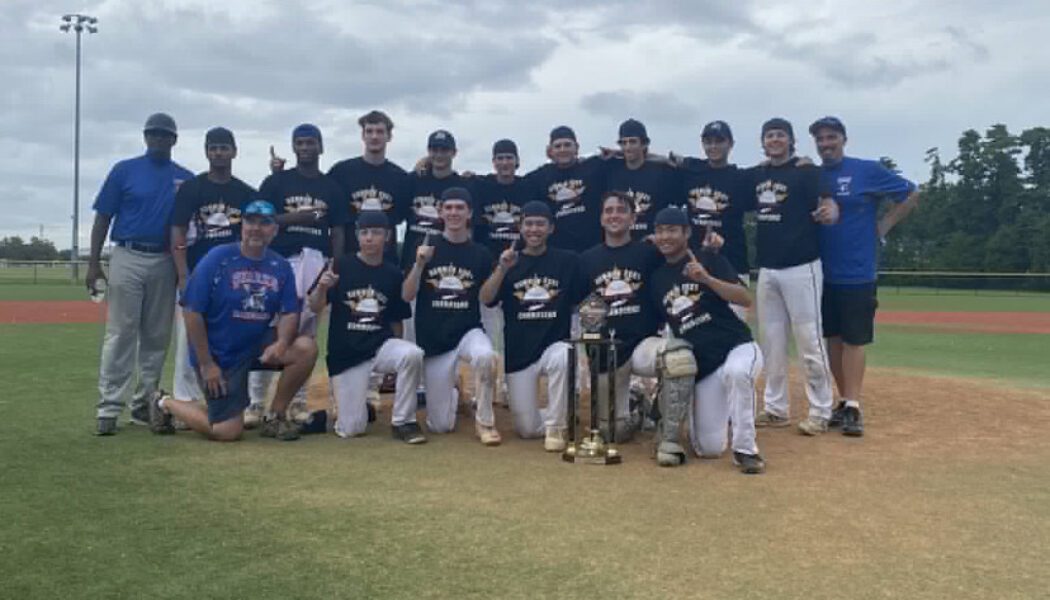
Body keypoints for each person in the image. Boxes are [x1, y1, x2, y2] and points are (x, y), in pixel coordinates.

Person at [149, 200, 318, 442]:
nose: (256, 228)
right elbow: (192, 312)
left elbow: (290, 312)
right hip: (220, 353)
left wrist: (281, 344)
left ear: (275, 230)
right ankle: (164, 402)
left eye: (265, 223)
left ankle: (275, 416)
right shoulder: (218, 258)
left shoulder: (279, 266)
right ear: (242, 226)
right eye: (251, 221)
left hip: (254, 344)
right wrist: (207, 364)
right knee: (227, 431)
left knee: (305, 348)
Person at [809, 116, 919, 437]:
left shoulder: (866, 170)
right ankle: (843, 401)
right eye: (820, 139)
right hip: (821, 272)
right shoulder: (814, 177)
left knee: (855, 340)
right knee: (832, 339)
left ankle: (854, 405)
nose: (826, 144)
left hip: (857, 272)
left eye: (832, 138)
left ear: (844, 139)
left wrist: (884, 226)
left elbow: (910, 193)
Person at [88, 113, 193, 436]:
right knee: (121, 332)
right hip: (127, 253)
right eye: (154, 134)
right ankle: (108, 407)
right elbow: (103, 216)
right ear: (145, 137)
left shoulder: (185, 179)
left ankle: (145, 403)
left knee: (156, 336)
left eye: (165, 135)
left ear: (174, 139)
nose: (159, 139)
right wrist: (94, 262)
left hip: (164, 259)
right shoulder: (125, 170)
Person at [647, 207, 766, 474]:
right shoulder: (657, 280)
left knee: (738, 373)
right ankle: (730, 406)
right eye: (660, 230)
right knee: (708, 448)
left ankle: (746, 450)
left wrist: (707, 278)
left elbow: (744, 298)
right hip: (705, 366)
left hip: (737, 347)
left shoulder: (708, 257)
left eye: (672, 230)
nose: (665, 236)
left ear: (686, 233)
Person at [741, 118, 839, 436]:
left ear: (791, 140)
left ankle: (822, 410)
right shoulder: (757, 174)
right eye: (769, 135)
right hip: (768, 268)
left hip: (802, 266)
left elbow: (828, 203)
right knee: (772, 343)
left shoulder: (806, 171)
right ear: (762, 141)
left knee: (810, 341)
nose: (774, 139)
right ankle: (775, 407)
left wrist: (829, 212)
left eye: (780, 135)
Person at [249, 124, 348, 426]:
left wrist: (336, 266)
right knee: (268, 328)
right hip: (279, 259)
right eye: (300, 143)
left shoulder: (331, 186)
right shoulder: (277, 181)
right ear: (293, 148)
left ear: (320, 147)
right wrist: (296, 217)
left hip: (316, 260)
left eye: (310, 143)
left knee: (306, 331)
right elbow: (259, 219)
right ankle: (255, 403)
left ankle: (297, 402)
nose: (305, 148)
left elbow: (340, 229)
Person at [307, 210, 427, 443]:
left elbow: (396, 320)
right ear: (358, 236)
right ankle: (333, 415)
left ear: (387, 237)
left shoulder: (392, 272)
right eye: (364, 233)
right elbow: (314, 307)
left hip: (379, 346)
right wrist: (322, 288)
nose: (369, 238)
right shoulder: (341, 265)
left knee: (412, 354)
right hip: (347, 353)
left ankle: (404, 422)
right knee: (351, 429)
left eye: (375, 232)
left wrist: (395, 365)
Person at [480, 201, 586, 451]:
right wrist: (502, 269)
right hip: (520, 353)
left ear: (551, 228)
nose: (534, 229)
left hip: (553, 345)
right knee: (526, 430)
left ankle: (557, 427)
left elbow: (580, 303)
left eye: (540, 224)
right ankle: (562, 412)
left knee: (565, 355)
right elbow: (486, 298)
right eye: (529, 224)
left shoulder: (568, 261)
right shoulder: (508, 263)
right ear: (520, 227)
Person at [403, 187, 500, 446]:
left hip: (467, 331)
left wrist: (499, 270)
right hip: (435, 340)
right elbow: (407, 295)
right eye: (449, 208)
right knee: (440, 426)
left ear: (469, 213)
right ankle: (454, 389)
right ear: (440, 212)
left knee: (486, 356)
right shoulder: (425, 247)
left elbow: (486, 298)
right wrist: (419, 264)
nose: (454, 213)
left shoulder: (480, 253)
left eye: (460, 208)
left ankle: (485, 423)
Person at [170, 127, 255, 409]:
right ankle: (185, 397)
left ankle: (231, 395)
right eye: (213, 148)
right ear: (206, 152)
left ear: (234, 151)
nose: (218, 153)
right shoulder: (192, 188)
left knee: (229, 333)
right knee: (188, 337)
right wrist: (183, 273)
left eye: (224, 148)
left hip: (232, 276)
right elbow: (178, 232)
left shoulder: (244, 192)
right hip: (198, 272)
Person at [579, 191, 663, 442]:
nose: (614, 215)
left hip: (643, 343)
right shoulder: (587, 259)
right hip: (609, 350)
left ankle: (661, 419)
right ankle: (636, 406)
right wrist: (592, 349)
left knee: (677, 359)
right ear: (601, 218)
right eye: (609, 210)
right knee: (611, 433)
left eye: (621, 210)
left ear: (633, 218)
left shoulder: (649, 254)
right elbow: (587, 311)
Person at [673, 121, 751, 319]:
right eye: (708, 142)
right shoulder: (692, 170)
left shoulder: (741, 177)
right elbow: (667, 159)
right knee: (695, 326)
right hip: (695, 262)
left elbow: (771, 170)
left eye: (719, 141)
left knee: (734, 326)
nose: (713, 146)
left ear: (731, 144)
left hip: (732, 262)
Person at [473, 138, 531, 405]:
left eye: (509, 157)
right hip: (487, 265)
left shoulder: (529, 187)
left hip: (520, 266)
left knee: (513, 327)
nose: (505, 162)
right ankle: (482, 388)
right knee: (487, 327)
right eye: (500, 158)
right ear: (493, 162)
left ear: (517, 161)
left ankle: (509, 385)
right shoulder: (482, 186)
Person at [326, 110, 410, 262]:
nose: (374, 136)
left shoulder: (400, 177)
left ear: (389, 136)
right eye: (369, 131)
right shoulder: (341, 172)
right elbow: (318, 191)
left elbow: (402, 216)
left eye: (379, 131)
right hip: (349, 257)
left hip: (385, 261)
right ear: (362, 135)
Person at [526, 126, 607, 253]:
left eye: (567, 145)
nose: (563, 149)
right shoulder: (540, 176)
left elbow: (632, 156)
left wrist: (616, 153)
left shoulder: (594, 166)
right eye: (558, 146)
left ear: (577, 148)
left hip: (594, 248)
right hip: (558, 252)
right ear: (550, 151)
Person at [601, 119, 679, 240]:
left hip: (652, 243)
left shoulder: (662, 172)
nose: (628, 147)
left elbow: (673, 207)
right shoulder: (611, 169)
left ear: (644, 144)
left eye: (632, 142)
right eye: (624, 143)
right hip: (619, 243)